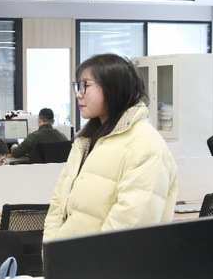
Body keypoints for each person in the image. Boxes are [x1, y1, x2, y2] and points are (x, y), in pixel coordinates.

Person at [43, 53, 178, 242]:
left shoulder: (145, 145)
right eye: (78, 86)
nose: (79, 94)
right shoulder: (86, 140)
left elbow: (128, 228)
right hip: (67, 256)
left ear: (113, 88)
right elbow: (59, 202)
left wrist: (82, 259)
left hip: (102, 261)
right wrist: (50, 248)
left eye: (86, 85)